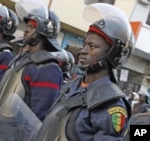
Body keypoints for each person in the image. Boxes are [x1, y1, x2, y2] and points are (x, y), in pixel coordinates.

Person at [35, 3, 134, 141]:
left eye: (92, 46)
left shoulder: (111, 103)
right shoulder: (72, 85)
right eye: (84, 45)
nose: (83, 51)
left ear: (113, 54)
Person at [0, 0, 63, 122]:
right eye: (27, 26)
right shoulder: (20, 59)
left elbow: (37, 117)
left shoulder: (48, 69)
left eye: (32, 27)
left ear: (44, 30)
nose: (26, 30)